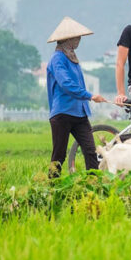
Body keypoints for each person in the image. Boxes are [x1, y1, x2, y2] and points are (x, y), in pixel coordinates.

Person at [46, 17, 107, 177]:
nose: (79, 40)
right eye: (76, 37)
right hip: (63, 114)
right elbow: (66, 84)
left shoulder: (72, 57)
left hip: (80, 114)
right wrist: (90, 96)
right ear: (67, 39)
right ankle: (51, 188)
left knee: (90, 151)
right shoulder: (57, 58)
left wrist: (87, 99)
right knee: (59, 155)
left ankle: (93, 186)